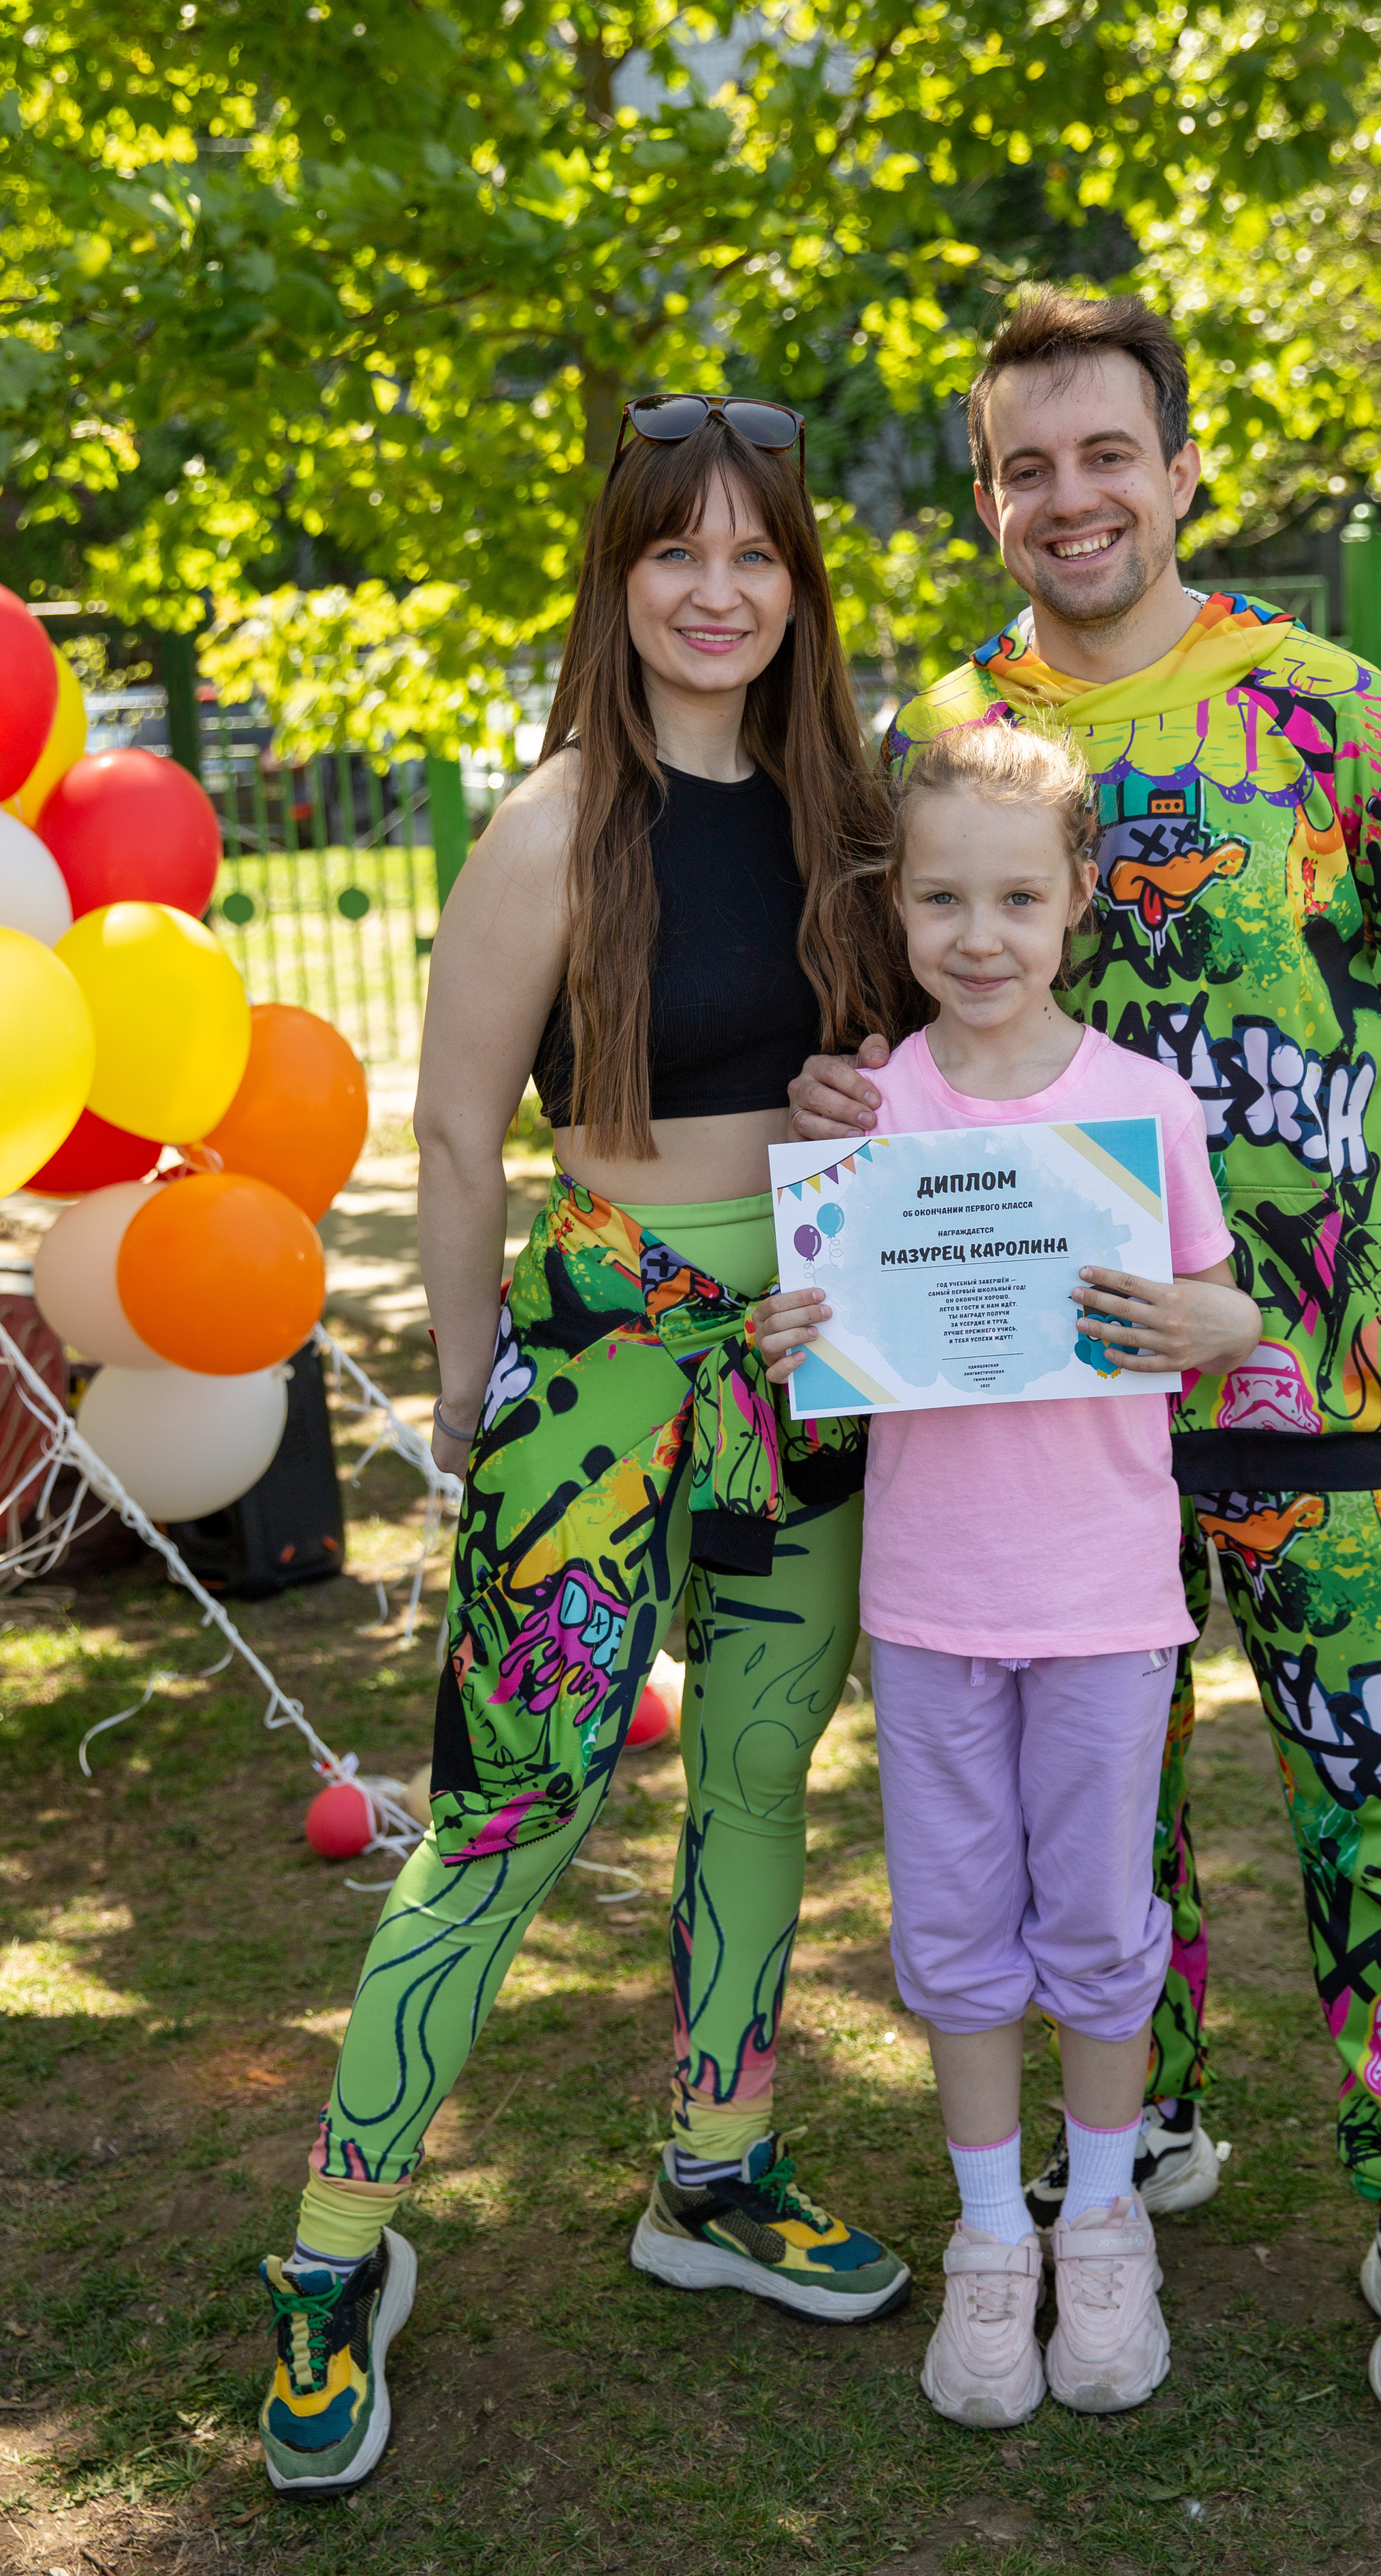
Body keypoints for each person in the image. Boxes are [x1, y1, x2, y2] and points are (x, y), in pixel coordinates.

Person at [790, 289, 1381, 2430]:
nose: (1069, 498)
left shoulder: (1326, 708)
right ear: (993, 497)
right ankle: (1145, 2118)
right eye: (1026, 466)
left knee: (1373, 1780)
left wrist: (1309, 1177)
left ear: (1183, 466)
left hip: (1311, 1373)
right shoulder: (945, 729)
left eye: (1105, 452)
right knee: (1100, 1787)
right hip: (1035, 1416)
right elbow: (899, 991)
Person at [255, 396, 918, 2497]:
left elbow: (920, 1057)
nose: (718, 589)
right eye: (675, 551)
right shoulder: (553, 822)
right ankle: (339, 2249)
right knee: (506, 1812)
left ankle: (714, 2163)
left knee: (753, 1767)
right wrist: (468, 1391)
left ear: (801, 580)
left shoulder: (853, 812)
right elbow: (456, 1134)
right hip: (603, 1375)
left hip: (810, 1361)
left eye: (758, 552)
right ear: (619, 576)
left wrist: (869, 1095)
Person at [754, 720, 1260, 2424]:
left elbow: (1221, 1303)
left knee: (1104, 1926)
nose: (980, 936)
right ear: (897, 907)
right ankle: (991, 2243)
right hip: (931, 1605)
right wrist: (785, 1329)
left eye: (1017, 899)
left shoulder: (1139, 1107)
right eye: (944, 897)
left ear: (1076, 906)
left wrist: (1218, 1317)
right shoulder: (866, 1116)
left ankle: (1100, 2220)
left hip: (1107, 1601)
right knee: (958, 1929)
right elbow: (819, 1329)